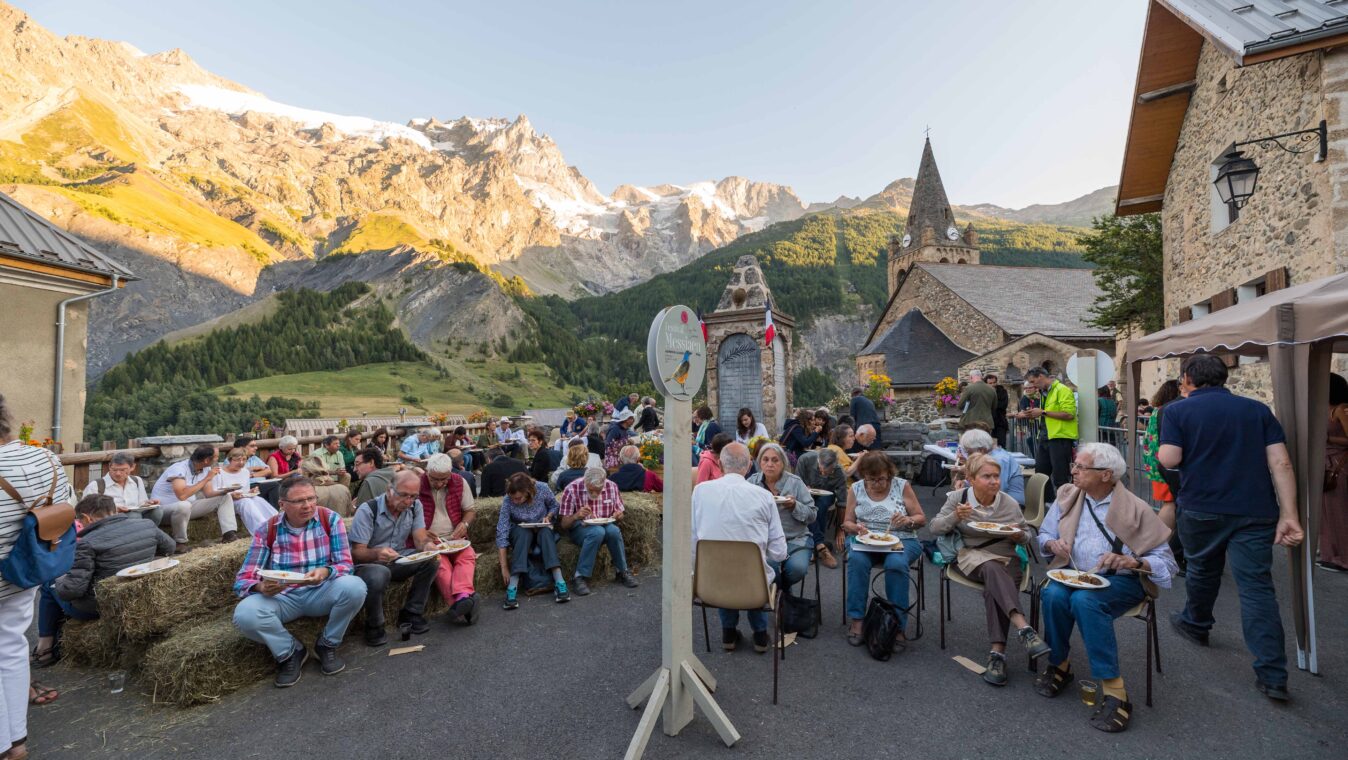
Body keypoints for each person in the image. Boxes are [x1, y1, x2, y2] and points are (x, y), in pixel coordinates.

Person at [1159, 354, 1304, 702]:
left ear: (1188, 379)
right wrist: (1290, 514)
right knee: (1256, 587)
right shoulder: (1257, 411)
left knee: (1202, 568)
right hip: (1255, 509)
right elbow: (1281, 462)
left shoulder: (1177, 411)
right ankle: (1272, 674)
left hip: (1202, 506)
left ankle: (1197, 623)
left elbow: (1169, 459)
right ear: (1224, 378)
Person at [1036, 443, 1177, 733]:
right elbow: (1045, 534)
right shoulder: (1068, 496)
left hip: (1123, 580)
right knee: (1052, 593)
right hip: (1073, 573)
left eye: (1081, 467)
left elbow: (1166, 562)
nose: (1073, 471)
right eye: (1074, 466)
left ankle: (1116, 692)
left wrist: (1131, 561)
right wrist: (1051, 543)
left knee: (1085, 602)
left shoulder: (1136, 508)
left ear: (1105, 475)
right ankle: (1060, 664)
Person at [232, 477, 366, 686]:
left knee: (355, 587)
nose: (308, 505)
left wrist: (325, 571)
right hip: (283, 598)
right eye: (299, 501)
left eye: (311, 498)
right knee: (245, 614)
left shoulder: (329, 519)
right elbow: (243, 579)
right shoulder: (268, 529)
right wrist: (261, 586)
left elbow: (345, 564)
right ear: (282, 504)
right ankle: (290, 651)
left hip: (321, 591)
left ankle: (328, 644)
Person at [928, 453, 1048, 686]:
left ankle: (998, 654)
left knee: (996, 582)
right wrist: (954, 517)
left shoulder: (1008, 503)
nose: (994, 481)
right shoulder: (958, 498)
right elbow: (934, 528)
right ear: (971, 479)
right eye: (987, 477)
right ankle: (1023, 628)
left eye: (996, 476)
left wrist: (1017, 534)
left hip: (1006, 556)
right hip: (969, 556)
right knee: (992, 569)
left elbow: (1026, 537)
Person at [0, 396, 72, 759]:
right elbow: (66, 503)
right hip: (26, 570)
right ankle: (16, 741)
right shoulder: (45, 456)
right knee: (11, 649)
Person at [35, 494, 175, 666]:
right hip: (138, 598)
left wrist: (61, 579)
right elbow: (170, 547)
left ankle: (45, 647)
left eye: (81, 520)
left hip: (99, 606)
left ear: (87, 518)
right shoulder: (147, 525)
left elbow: (72, 591)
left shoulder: (86, 542)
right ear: (114, 510)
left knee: (48, 585)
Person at [692, 443, 786, 652]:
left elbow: (693, 543)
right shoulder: (763, 496)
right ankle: (760, 634)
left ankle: (728, 632)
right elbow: (780, 552)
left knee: (724, 564)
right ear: (750, 465)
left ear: (720, 463)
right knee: (758, 566)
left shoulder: (700, 492)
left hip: (710, 584)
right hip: (753, 587)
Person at [839, 452, 924, 648]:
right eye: (872, 479)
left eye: (882, 479)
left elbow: (921, 518)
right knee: (857, 561)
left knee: (896, 564)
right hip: (866, 539)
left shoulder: (902, 486)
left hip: (901, 538)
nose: (878, 483)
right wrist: (855, 528)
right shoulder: (856, 488)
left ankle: (897, 625)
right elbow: (847, 522)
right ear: (863, 476)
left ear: (890, 474)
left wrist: (908, 520)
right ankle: (857, 620)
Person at [349, 471, 441, 646]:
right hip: (371, 564)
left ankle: (412, 613)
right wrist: (377, 553)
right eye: (404, 495)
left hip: (399, 558)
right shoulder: (368, 510)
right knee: (379, 573)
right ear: (389, 490)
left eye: (413, 496)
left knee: (432, 560)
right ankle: (374, 624)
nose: (408, 501)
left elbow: (419, 538)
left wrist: (427, 546)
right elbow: (357, 553)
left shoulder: (415, 506)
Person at [418, 455, 480, 625]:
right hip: (430, 540)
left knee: (467, 556)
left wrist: (465, 524)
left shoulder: (459, 482)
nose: (439, 483)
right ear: (427, 472)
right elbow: (405, 517)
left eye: (444, 479)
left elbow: (470, 510)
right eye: (434, 479)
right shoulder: (416, 485)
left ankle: (460, 600)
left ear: (450, 473)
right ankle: (463, 601)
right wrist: (420, 532)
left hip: (455, 538)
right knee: (440, 564)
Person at [559, 467, 640, 595]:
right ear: (585, 481)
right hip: (580, 528)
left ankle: (622, 571)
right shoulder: (572, 488)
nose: (595, 494)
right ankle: (579, 577)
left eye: (598, 490)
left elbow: (620, 513)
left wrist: (619, 515)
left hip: (605, 524)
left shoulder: (612, 486)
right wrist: (576, 516)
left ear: (604, 482)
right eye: (591, 490)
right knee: (597, 532)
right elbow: (564, 524)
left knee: (614, 531)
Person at [747, 444, 816, 590]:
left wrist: (794, 506)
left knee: (797, 569)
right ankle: (781, 595)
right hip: (764, 540)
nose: (770, 464)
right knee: (768, 566)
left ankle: (778, 591)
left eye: (775, 460)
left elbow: (812, 515)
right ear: (760, 463)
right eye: (765, 460)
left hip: (795, 538)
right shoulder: (752, 483)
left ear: (783, 463)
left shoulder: (795, 482)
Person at [496, 473, 570, 608]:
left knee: (546, 532)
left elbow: (555, 505)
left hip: (541, 527)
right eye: (512, 498)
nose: (514, 501)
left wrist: (548, 516)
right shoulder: (508, 500)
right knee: (523, 533)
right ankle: (512, 587)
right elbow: (502, 530)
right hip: (520, 531)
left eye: (518, 498)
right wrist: (504, 567)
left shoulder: (542, 488)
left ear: (528, 492)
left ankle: (560, 582)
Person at [150, 444, 240, 547]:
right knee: (184, 505)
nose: (217, 459)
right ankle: (180, 543)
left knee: (225, 497)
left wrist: (226, 491)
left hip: (188, 508)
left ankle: (229, 534)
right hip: (164, 511)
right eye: (215, 457)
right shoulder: (178, 469)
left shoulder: (206, 469)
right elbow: (182, 496)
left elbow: (209, 493)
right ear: (206, 460)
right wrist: (206, 478)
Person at [1142, 380, 1185, 573]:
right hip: (1165, 466)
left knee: (1169, 505)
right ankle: (1158, 545)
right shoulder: (1169, 410)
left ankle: (1157, 544)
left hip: (1156, 464)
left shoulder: (1158, 410)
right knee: (1170, 505)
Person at [82, 451, 179, 531]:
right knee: (134, 516)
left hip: (135, 517)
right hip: (110, 522)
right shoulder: (97, 485)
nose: (118, 473)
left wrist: (148, 504)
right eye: (114, 470)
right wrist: (115, 509)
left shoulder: (137, 481)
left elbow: (141, 503)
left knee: (157, 511)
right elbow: (86, 511)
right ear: (109, 466)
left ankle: (147, 538)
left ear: (132, 467)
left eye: (123, 470)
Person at [1022, 366, 1078, 495]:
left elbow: (1069, 414)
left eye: (1033, 381)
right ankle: (1048, 503)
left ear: (1041, 377)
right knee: (1041, 474)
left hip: (1060, 438)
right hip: (1045, 437)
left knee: (1060, 477)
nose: (1032, 385)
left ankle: (1064, 506)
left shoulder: (1062, 390)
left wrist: (1043, 412)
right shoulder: (1044, 392)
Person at [796, 448, 845, 569]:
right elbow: (795, 483)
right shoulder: (805, 460)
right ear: (818, 461)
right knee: (809, 505)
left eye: (828, 472)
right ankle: (820, 545)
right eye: (821, 471)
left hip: (827, 495)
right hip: (805, 494)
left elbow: (842, 503)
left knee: (820, 505)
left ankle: (812, 545)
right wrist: (804, 488)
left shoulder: (839, 472)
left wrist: (840, 529)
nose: (823, 474)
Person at [1319, 373, 1348, 572]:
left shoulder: (1341, 409)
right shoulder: (1325, 408)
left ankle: (1344, 557)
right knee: (1327, 510)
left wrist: (1328, 438)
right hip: (1325, 462)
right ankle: (1330, 552)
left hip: (1340, 463)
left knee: (1339, 510)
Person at [215, 447, 278, 534]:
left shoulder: (245, 472)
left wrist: (251, 491)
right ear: (230, 459)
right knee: (245, 502)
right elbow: (215, 492)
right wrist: (231, 495)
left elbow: (245, 490)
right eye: (237, 460)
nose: (241, 463)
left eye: (244, 460)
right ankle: (263, 528)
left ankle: (276, 523)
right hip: (227, 501)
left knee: (258, 500)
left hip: (242, 497)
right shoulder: (219, 473)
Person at [957, 429, 1025, 506]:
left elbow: (996, 490)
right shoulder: (991, 455)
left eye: (969, 452)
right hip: (1001, 500)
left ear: (981, 450)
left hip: (1010, 505)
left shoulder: (998, 460)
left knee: (960, 509)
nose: (968, 456)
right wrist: (965, 483)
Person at [987, 373, 1010, 448]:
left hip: (1000, 421)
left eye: (994, 382)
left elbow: (1003, 405)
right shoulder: (985, 393)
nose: (993, 385)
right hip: (988, 422)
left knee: (1001, 445)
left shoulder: (1002, 392)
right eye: (990, 383)